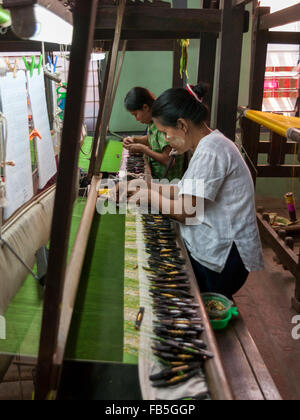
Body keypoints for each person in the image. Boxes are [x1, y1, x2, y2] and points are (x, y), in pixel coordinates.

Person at [136, 83, 264, 299]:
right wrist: (146, 185)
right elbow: (183, 190)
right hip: (220, 250)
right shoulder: (208, 145)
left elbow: (187, 211)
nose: (166, 139)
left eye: (166, 132)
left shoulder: (211, 151)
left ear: (182, 125)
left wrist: (148, 196)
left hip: (225, 260)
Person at [123, 87, 184, 181]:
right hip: (155, 174)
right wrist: (135, 140)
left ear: (145, 107)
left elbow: (169, 161)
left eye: (135, 114)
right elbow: (153, 139)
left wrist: (143, 149)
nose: (136, 119)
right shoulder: (152, 120)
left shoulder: (162, 123)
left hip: (166, 181)